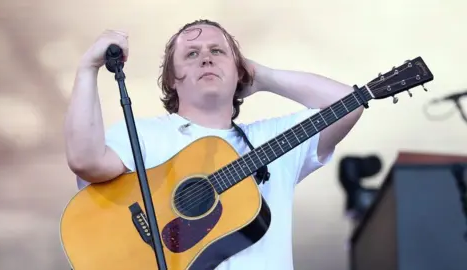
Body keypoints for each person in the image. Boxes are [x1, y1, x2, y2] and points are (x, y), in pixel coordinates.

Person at [64, 19, 363, 270]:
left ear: (239, 72)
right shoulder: (143, 134)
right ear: (172, 79)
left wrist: (263, 76)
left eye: (217, 51)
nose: (206, 58)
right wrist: (88, 67)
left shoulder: (269, 139)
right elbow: (85, 160)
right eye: (191, 54)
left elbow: (349, 105)